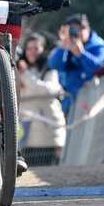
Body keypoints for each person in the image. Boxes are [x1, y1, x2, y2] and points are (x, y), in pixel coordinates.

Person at [48, 14, 104, 116]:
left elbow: (102, 69)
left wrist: (81, 54)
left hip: (93, 104)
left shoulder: (99, 46)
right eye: (73, 30)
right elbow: (53, 65)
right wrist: (63, 46)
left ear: (88, 28)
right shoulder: (66, 46)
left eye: (82, 28)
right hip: (69, 104)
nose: (78, 33)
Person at [16, 33, 65, 166]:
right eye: (29, 48)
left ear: (43, 49)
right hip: (25, 137)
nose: (32, 52)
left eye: (36, 48)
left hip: (48, 136)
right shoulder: (15, 72)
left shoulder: (49, 71)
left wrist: (26, 75)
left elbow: (47, 90)